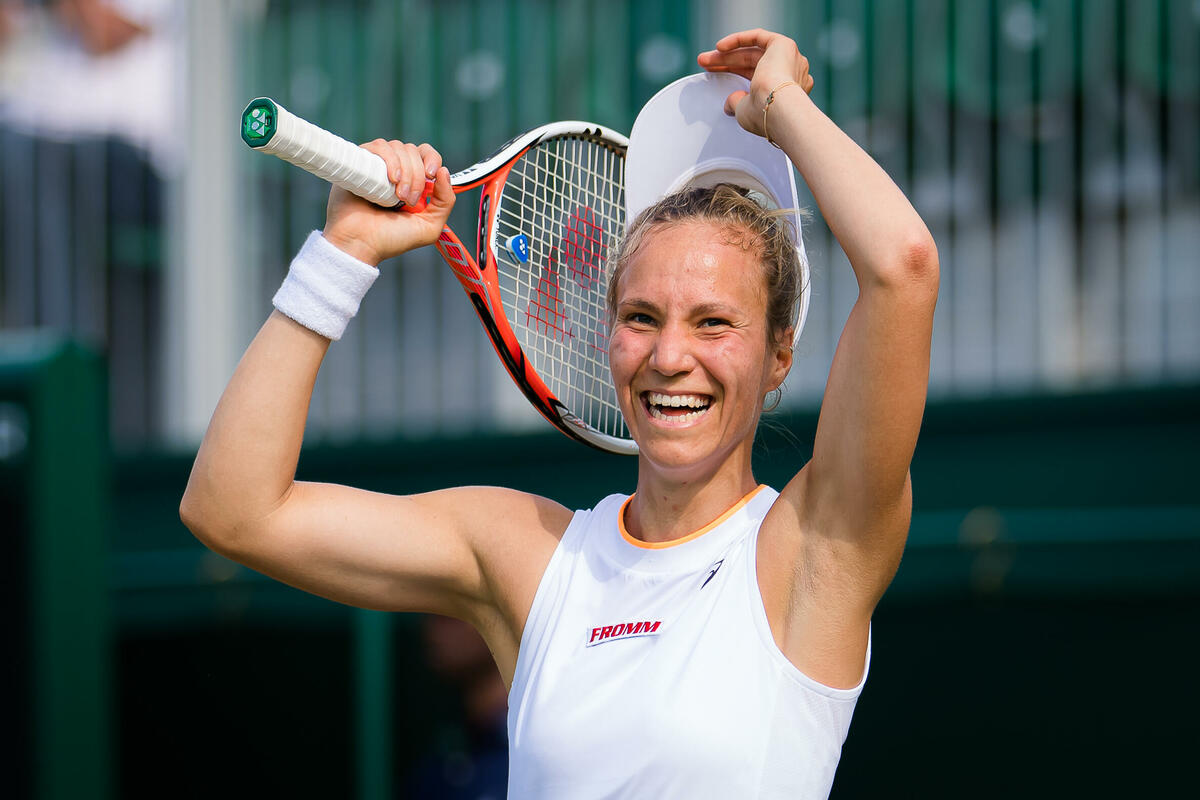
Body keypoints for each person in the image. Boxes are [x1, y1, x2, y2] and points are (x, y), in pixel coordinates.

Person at [181, 28, 938, 799]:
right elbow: (232, 510)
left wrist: (780, 106)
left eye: (713, 323)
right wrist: (343, 251)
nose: (669, 355)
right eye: (641, 317)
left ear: (779, 354)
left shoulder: (815, 548)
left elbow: (904, 266)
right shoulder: (527, 555)